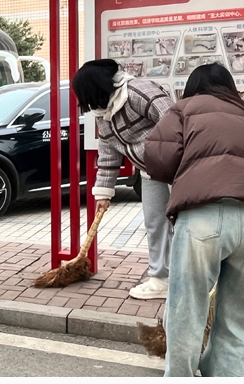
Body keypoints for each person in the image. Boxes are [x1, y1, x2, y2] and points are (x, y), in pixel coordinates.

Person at [145, 64, 244, 377]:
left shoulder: (184, 109)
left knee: (187, 309)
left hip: (201, 215)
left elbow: (158, 159)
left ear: (191, 88)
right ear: (230, 88)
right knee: (240, 318)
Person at [71, 59, 174, 300]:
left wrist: (167, 158)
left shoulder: (138, 91)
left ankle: (188, 279)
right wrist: (104, 193)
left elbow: (175, 122)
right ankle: (161, 279)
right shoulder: (102, 113)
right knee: (155, 224)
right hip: (149, 172)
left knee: (183, 224)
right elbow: (108, 152)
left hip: (178, 169)